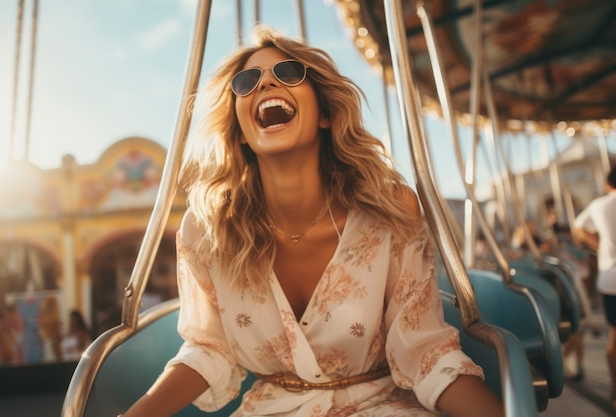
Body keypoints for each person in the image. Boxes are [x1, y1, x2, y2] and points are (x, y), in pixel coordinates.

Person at [120, 25, 503, 417]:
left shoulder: (391, 211)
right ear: (240, 135)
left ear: (324, 113)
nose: (266, 83)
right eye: (247, 81)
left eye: (288, 72)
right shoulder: (206, 232)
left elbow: (424, 350)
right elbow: (208, 348)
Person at [573, 165, 616, 406]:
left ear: (609, 182)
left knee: (614, 338)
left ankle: (615, 392)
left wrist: (599, 245)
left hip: (611, 278)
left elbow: (578, 228)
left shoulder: (600, 205)